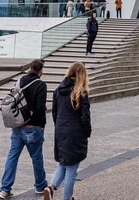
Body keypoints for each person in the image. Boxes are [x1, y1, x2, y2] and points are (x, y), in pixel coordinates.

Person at [0, 59, 50, 200]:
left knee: (12, 156)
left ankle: (5, 189)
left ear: (30, 68)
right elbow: (40, 108)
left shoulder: (20, 80)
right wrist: (42, 124)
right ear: (41, 71)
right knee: (36, 157)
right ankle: (40, 186)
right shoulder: (40, 85)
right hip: (32, 127)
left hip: (17, 125)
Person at [48, 61, 91, 200]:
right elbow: (85, 116)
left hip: (61, 129)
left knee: (64, 162)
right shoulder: (81, 92)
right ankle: (67, 197)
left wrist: (59, 126)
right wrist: (87, 132)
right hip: (75, 132)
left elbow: (54, 112)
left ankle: (50, 187)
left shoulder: (58, 90)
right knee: (72, 167)